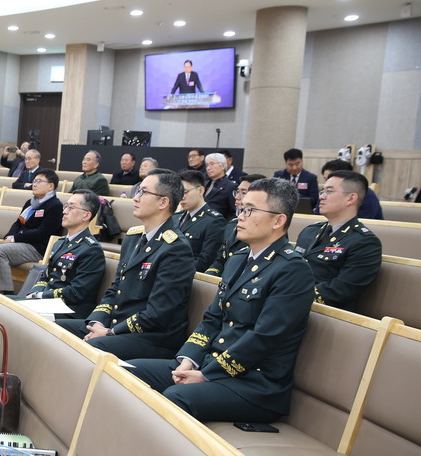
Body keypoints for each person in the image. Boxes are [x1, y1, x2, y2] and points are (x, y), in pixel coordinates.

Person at [125, 178, 315, 423]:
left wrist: (206, 374)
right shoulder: (238, 259)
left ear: (278, 221)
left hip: (255, 386)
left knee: (176, 396)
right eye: (241, 208)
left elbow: (265, 337)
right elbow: (213, 318)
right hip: (211, 366)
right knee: (127, 371)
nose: (240, 217)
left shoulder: (292, 270)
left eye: (249, 210)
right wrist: (187, 360)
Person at [58, 169, 195, 359]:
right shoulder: (133, 238)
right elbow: (114, 290)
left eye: (143, 192)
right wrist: (97, 322)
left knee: (91, 347)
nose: (136, 198)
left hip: (152, 338)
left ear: (163, 202)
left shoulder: (176, 248)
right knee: (54, 329)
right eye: (137, 191)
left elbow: (157, 313)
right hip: (117, 326)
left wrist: (110, 332)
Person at [295, 170, 382, 313]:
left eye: (329, 192)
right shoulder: (310, 231)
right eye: (322, 191)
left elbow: (340, 291)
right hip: (291, 304)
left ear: (350, 199)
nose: (321, 197)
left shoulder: (365, 242)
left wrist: (289, 295)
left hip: (323, 315)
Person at [15, 190, 107, 319]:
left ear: (86, 216)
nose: (64, 211)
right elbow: (45, 277)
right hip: (46, 302)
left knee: (15, 312)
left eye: (71, 207)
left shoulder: (91, 249)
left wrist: (39, 296)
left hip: (69, 309)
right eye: (66, 206)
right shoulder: (60, 242)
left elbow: (77, 293)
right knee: (3, 303)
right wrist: (34, 293)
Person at [0, 169, 63, 294]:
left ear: (51, 186)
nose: (34, 184)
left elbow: (42, 233)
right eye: (34, 181)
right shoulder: (30, 203)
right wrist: (9, 236)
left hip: (37, 247)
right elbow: (18, 223)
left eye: (39, 181)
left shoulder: (55, 205)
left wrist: (15, 239)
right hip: (22, 243)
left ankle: (7, 294)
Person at [206, 173, 265, 276]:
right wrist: (209, 276)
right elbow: (220, 259)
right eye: (237, 192)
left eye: (243, 192)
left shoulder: (261, 228)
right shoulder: (232, 224)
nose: (237, 197)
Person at [173, 170, 226, 272]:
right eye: (178, 193)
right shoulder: (175, 217)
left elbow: (205, 261)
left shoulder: (214, 221)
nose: (181, 197)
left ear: (201, 191)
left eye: (185, 192)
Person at [318, 159, 383, 219]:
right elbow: (317, 215)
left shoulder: (366, 194)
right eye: (325, 179)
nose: (327, 183)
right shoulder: (324, 193)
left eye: (331, 179)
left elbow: (363, 222)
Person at [203, 152, 237, 219]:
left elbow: (234, 212)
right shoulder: (204, 184)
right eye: (207, 165)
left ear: (223, 166)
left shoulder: (231, 186)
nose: (208, 168)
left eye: (212, 164)